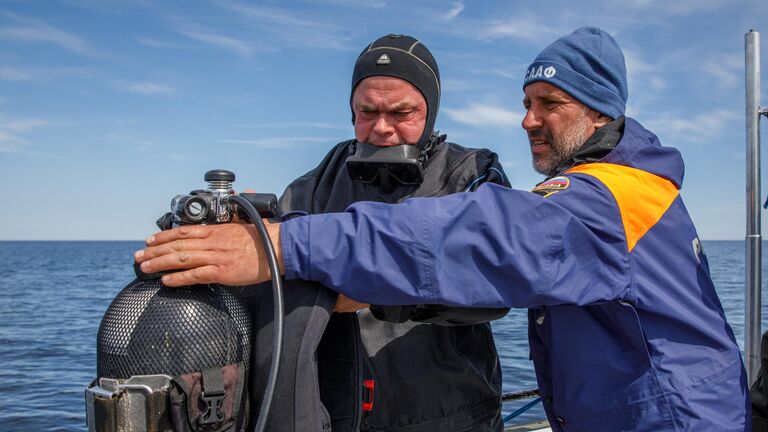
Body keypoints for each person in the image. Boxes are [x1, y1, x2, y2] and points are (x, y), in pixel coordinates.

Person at [135, 27, 751, 430]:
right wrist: (251, 228)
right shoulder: (315, 181)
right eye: (526, 102)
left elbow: (486, 245)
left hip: (663, 418)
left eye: (550, 105)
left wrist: (283, 247)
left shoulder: (603, 194)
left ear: (601, 113)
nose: (527, 120)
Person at [277, 34, 510, 431]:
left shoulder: (472, 173)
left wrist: (375, 293)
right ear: (351, 111)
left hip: (453, 415)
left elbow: (496, 286)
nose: (382, 128)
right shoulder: (315, 184)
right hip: (342, 414)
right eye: (368, 112)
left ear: (430, 112)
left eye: (401, 113)